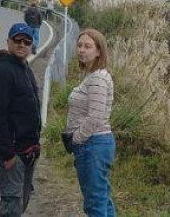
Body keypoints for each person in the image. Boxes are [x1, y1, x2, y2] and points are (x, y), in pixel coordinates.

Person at [0, 23, 42, 217]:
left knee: (20, 204)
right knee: (12, 207)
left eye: (27, 41)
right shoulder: (2, 71)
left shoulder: (24, 67)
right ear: (8, 42)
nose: (22, 45)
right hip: (12, 153)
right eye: (17, 40)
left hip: (28, 150)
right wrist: (7, 153)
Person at [64, 29, 116, 217]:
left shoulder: (97, 79)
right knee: (101, 200)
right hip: (94, 145)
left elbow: (95, 117)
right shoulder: (92, 75)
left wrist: (75, 139)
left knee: (95, 204)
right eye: (79, 46)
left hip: (93, 145)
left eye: (88, 46)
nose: (82, 50)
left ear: (99, 51)